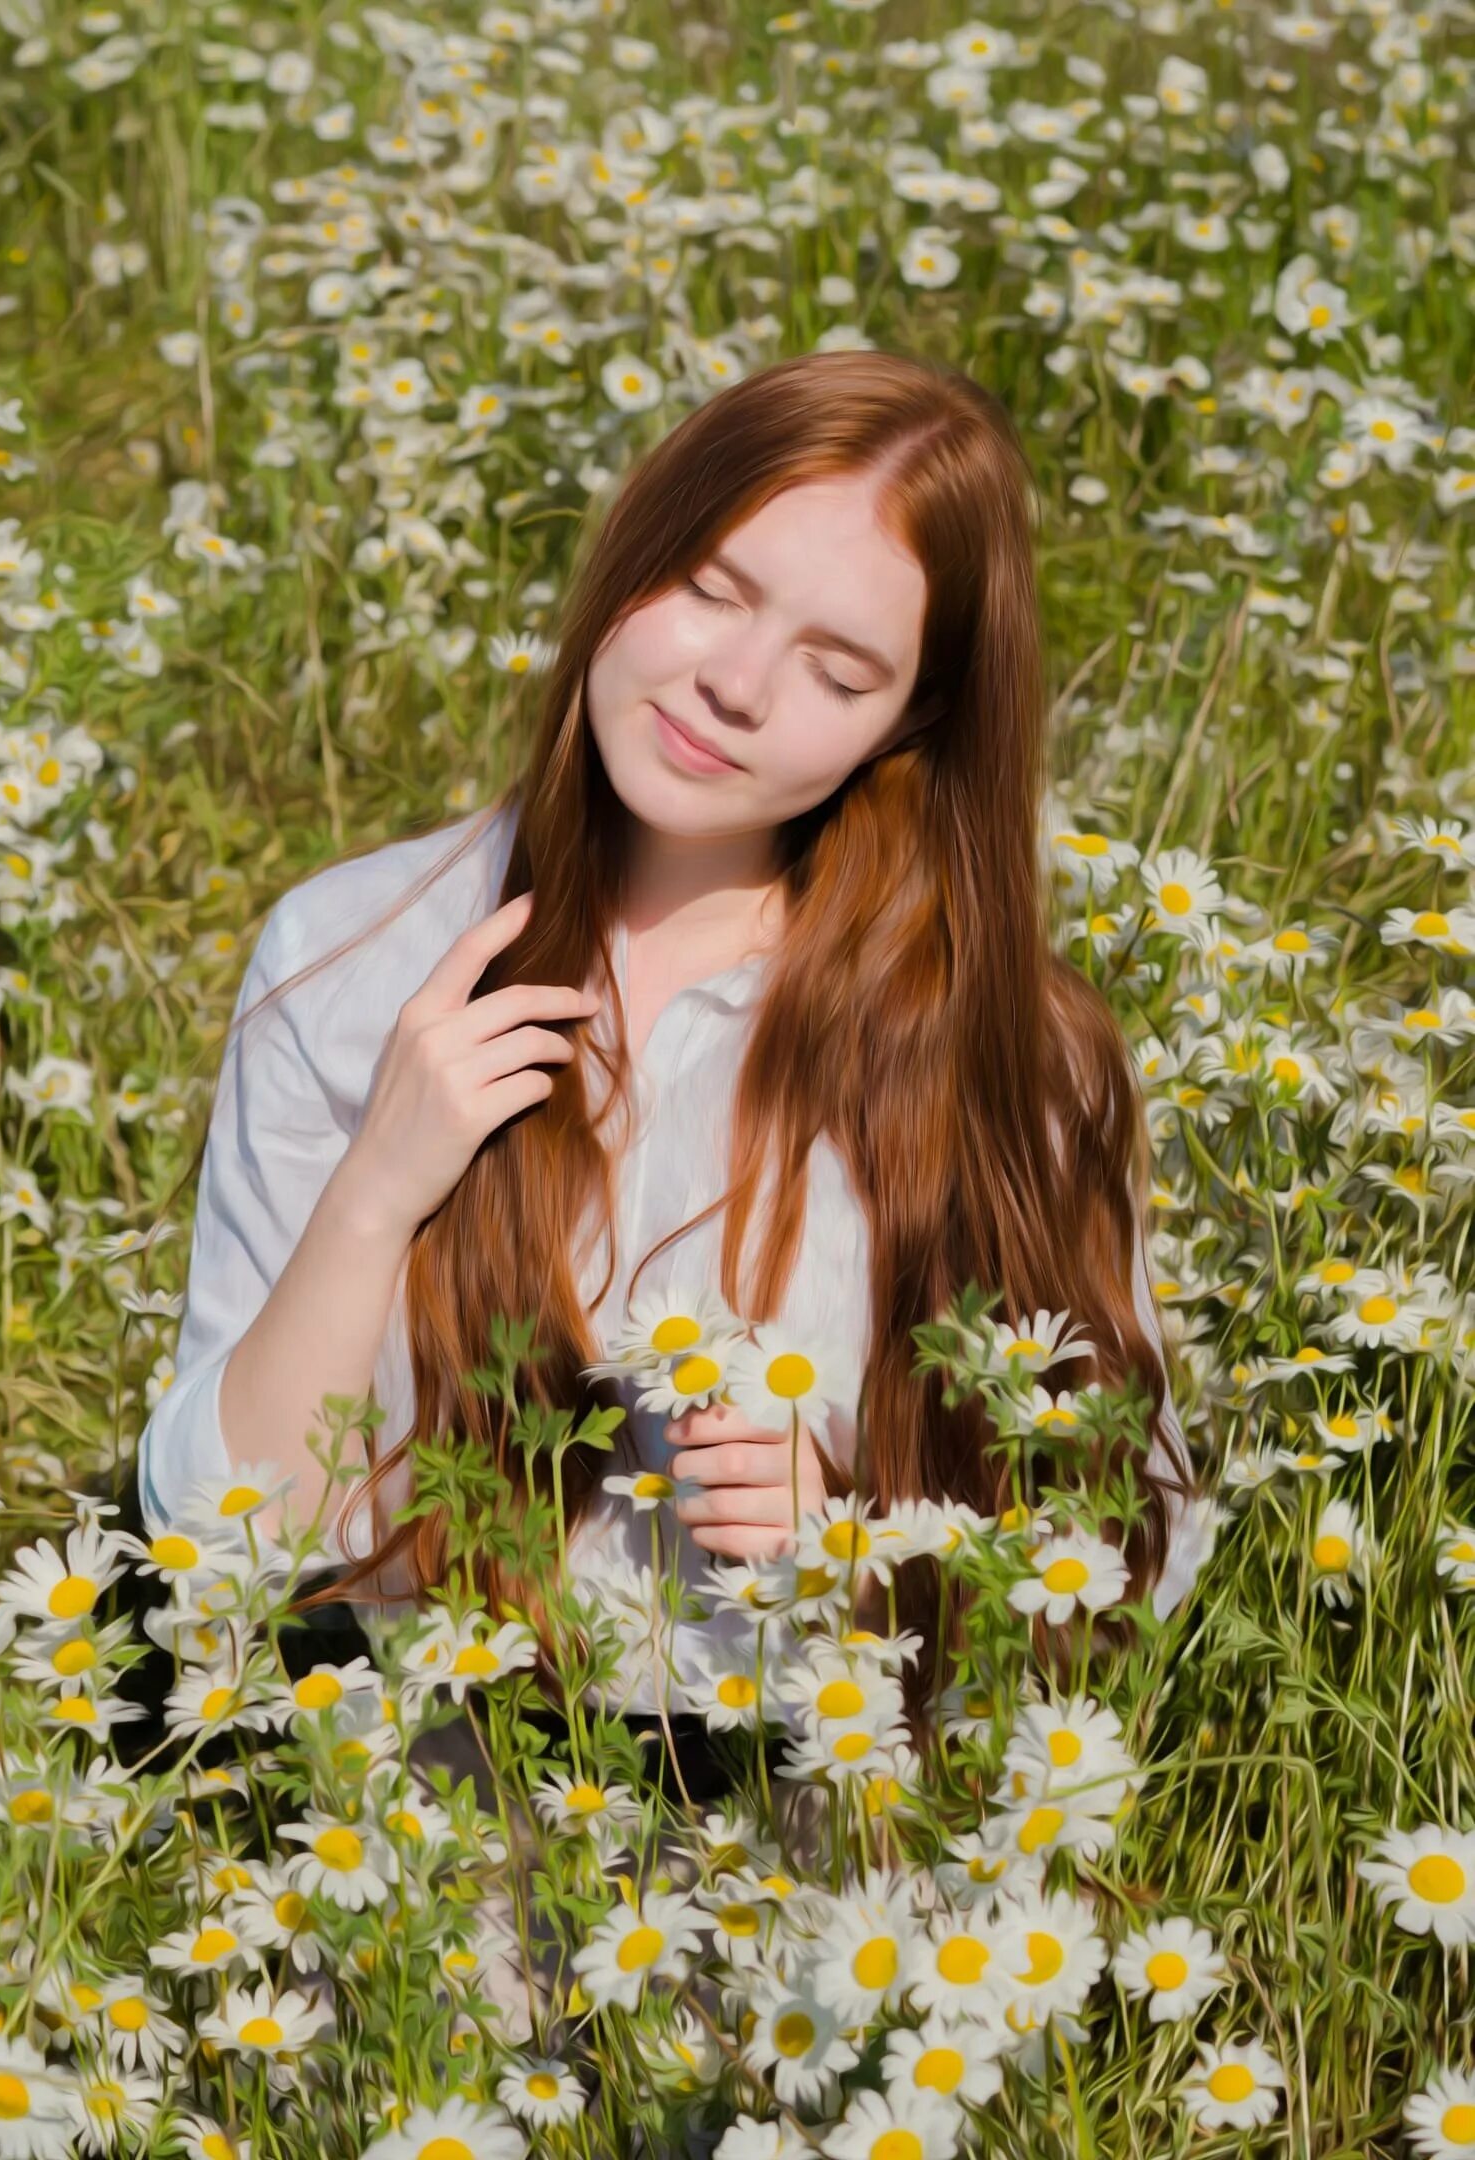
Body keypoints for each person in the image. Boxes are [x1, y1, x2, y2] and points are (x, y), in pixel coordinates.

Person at [135, 348, 1211, 1760]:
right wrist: (378, 1190)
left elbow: (1137, 1540)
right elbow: (223, 1544)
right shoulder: (354, 956)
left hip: (823, 1842)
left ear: (911, 724)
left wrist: (856, 1546)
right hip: (429, 1813)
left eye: (838, 670)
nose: (738, 687)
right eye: (713, 587)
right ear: (634, 552)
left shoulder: (1005, 1044)